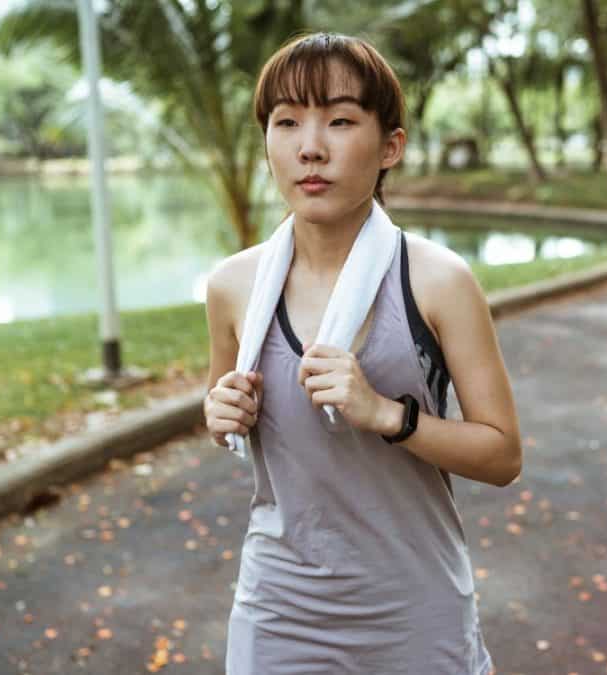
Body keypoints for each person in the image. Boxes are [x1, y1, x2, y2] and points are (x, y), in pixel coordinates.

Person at [203, 31, 520, 675]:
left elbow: (502, 454)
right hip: (277, 610)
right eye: (287, 122)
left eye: (340, 121)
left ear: (390, 147)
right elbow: (222, 414)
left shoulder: (437, 281)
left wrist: (387, 415)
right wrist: (218, 413)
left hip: (414, 610)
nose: (310, 146)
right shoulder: (234, 286)